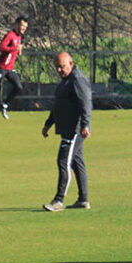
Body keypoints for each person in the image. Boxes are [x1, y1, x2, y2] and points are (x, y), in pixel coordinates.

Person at [41, 52, 92, 212]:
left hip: (74, 130)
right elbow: (58, 104)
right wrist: (49, 123)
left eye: (62, 66)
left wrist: (85, 125)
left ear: (71, 63)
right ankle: (83, 200)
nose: (59, 70)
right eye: (56, 67)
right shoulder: (65, 81)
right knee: (77, 163)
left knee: (63, 161)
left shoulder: (78, 80)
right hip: (66, 128)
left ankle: (58, 200)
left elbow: (86, 103)